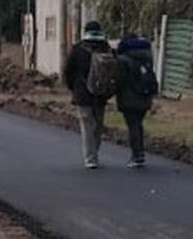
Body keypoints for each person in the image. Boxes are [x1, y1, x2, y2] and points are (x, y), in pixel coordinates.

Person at [63, 20, 116, 169]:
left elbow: (67, 71)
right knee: (98, 126)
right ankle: (94, 152)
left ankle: (90, 158)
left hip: (82, 94)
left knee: (87, 126)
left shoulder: (78, 49)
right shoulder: (106, 48)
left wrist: (73, 88)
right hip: (101, 94)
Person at [115, 32, 159, 169]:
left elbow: (120, 79)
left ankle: (137, 155)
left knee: (133, 126)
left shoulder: (123, 59)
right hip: (145, 96)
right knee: (138, 125)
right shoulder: (147, 56)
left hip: (128, 97)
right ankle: (139, 153)